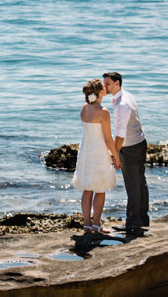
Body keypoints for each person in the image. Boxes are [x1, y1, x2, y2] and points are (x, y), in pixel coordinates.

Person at [72, 78, 122, 234]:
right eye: (104, 88)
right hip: (98, 151)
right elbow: (108, 139)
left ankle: (87, 224)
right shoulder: (103, 112)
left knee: (87, 189)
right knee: (100, 189)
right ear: (101, 93)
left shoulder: (84, 108)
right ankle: (96, 225)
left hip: (85, 150)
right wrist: (116, 157)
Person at [103, 71, 149, 236]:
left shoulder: (122, 104)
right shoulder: (127, 96)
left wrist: (115, 154)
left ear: (117, 84)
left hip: (130, 147)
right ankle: (143, 218)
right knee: (140, 181)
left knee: (133, 185)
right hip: (140, 142)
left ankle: (132, 222)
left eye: (107, 84)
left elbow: (120, 135)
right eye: (104, 83)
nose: (104, 86)